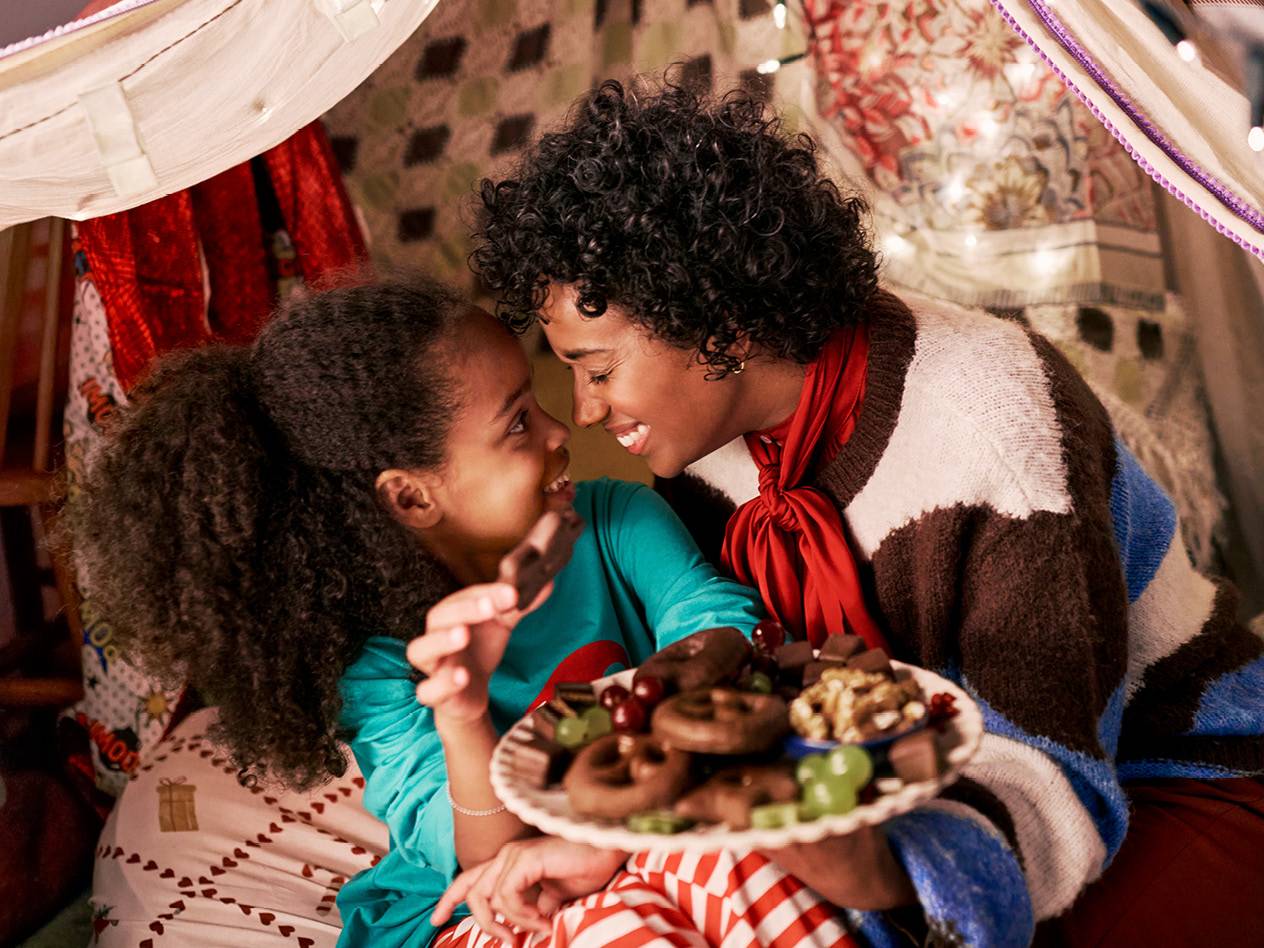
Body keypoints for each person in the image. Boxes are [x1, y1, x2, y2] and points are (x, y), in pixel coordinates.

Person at [468, 81, 1264, 946]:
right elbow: (756, 704)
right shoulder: (704, 459)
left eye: (595, 369)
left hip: (1162, 774)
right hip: (909, 793)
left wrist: (871, 863)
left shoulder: (994, 422)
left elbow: (1049, 765)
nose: (584, 412)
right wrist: (623, 844)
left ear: (720, 327)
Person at [70, 275, 870, 948]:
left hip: (643, 835)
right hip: (486, 900)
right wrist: (460, 712)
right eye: (518, 422)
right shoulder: (384, 664)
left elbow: (726, 628)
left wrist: (613, 795)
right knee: (621, 912)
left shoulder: (614, 522)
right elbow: (487, 857)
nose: (561, 431)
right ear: (413, 496)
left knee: (741, 856)